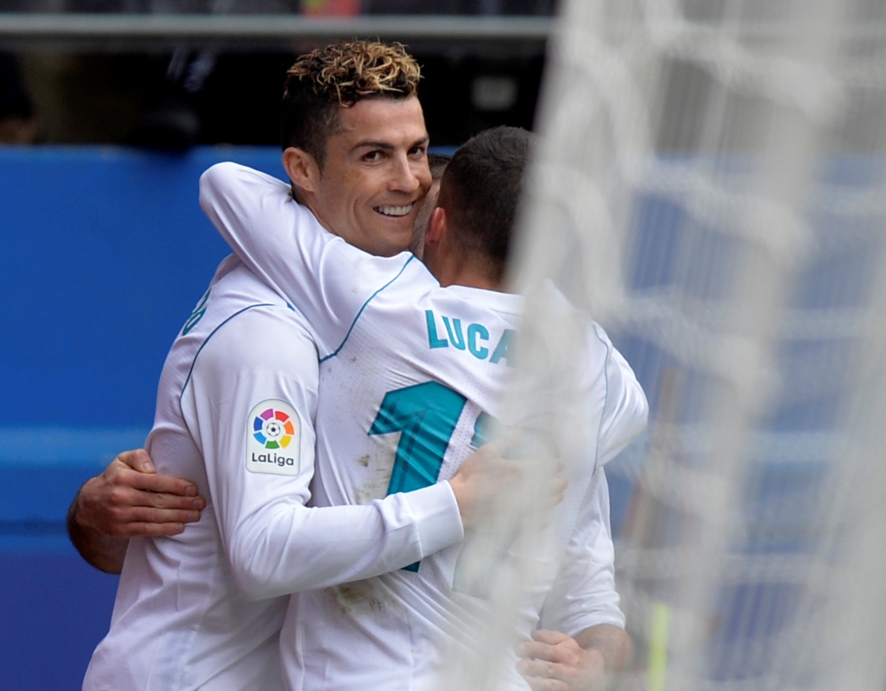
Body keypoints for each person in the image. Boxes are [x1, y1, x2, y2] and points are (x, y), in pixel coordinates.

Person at [80, 43, 540, 691]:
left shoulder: (373, 302)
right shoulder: (268, 336)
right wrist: (454, 505)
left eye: (416, 150)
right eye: (373, 155)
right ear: (301, 169)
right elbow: (262, 550)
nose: (410, 180)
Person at [200, 123, 647, 689]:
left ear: (436, 224)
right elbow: (592, 587)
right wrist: (598, 661)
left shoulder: (374, 304)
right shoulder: (596, 375)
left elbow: (225, 185)